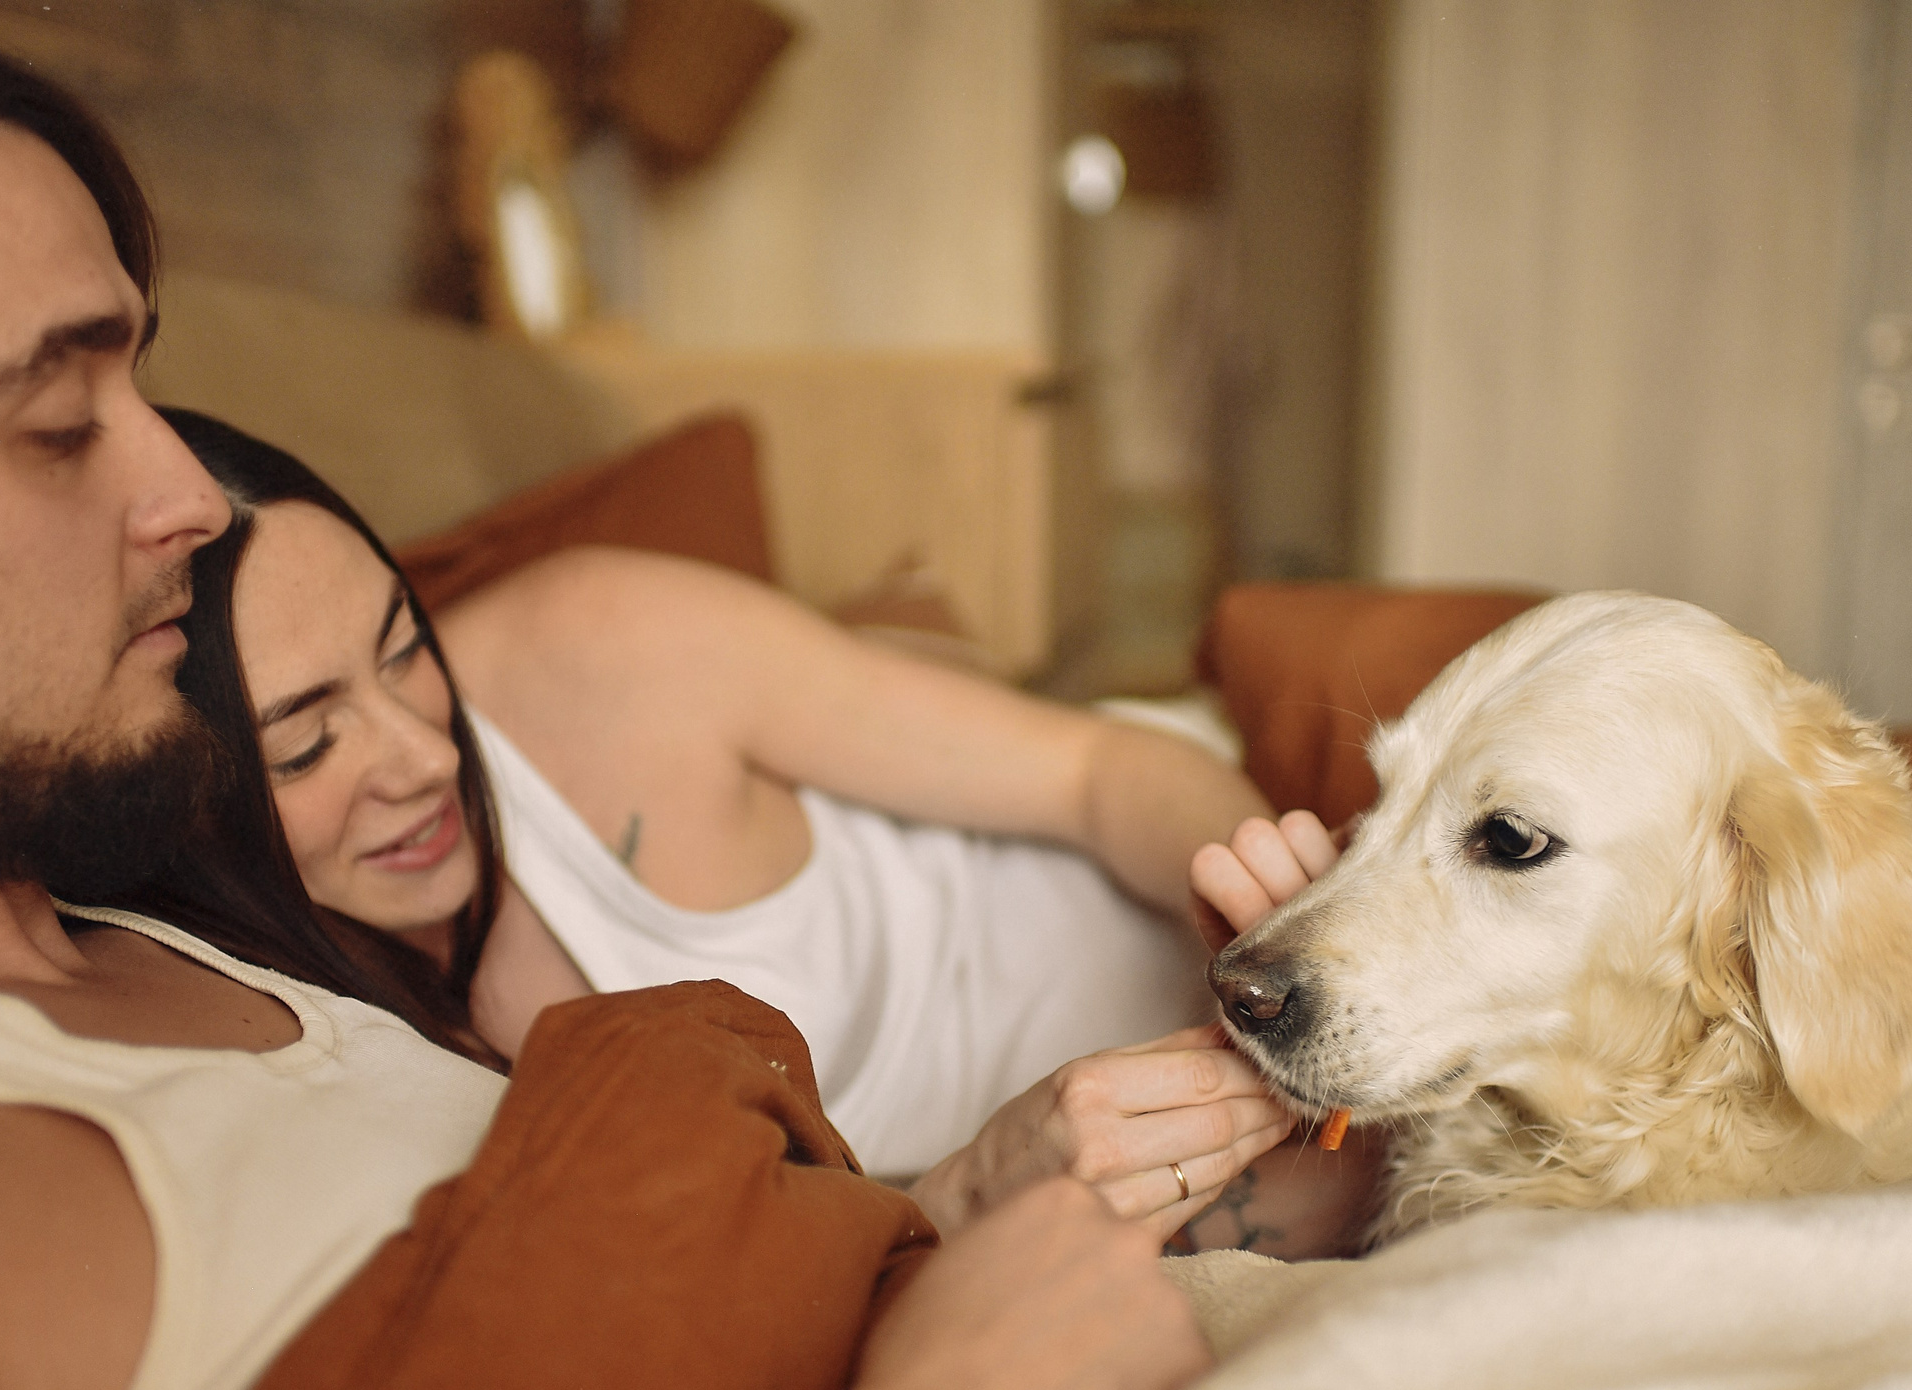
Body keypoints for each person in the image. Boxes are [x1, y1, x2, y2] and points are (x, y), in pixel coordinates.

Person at [0, 8, 1326, 1390]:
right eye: (60, 420)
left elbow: (652, 1274)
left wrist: (964, 1194)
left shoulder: (162, 917)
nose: (192, 496)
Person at [127, 407, 1340, 1239]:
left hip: (1166, 917)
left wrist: (1285, 921)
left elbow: (1093, 772)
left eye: (405, 651)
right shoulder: (304, 1062)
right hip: (1085, 1175)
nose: (424, 755)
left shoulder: (593, 644)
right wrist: (973, 1187)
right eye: (305, 743)